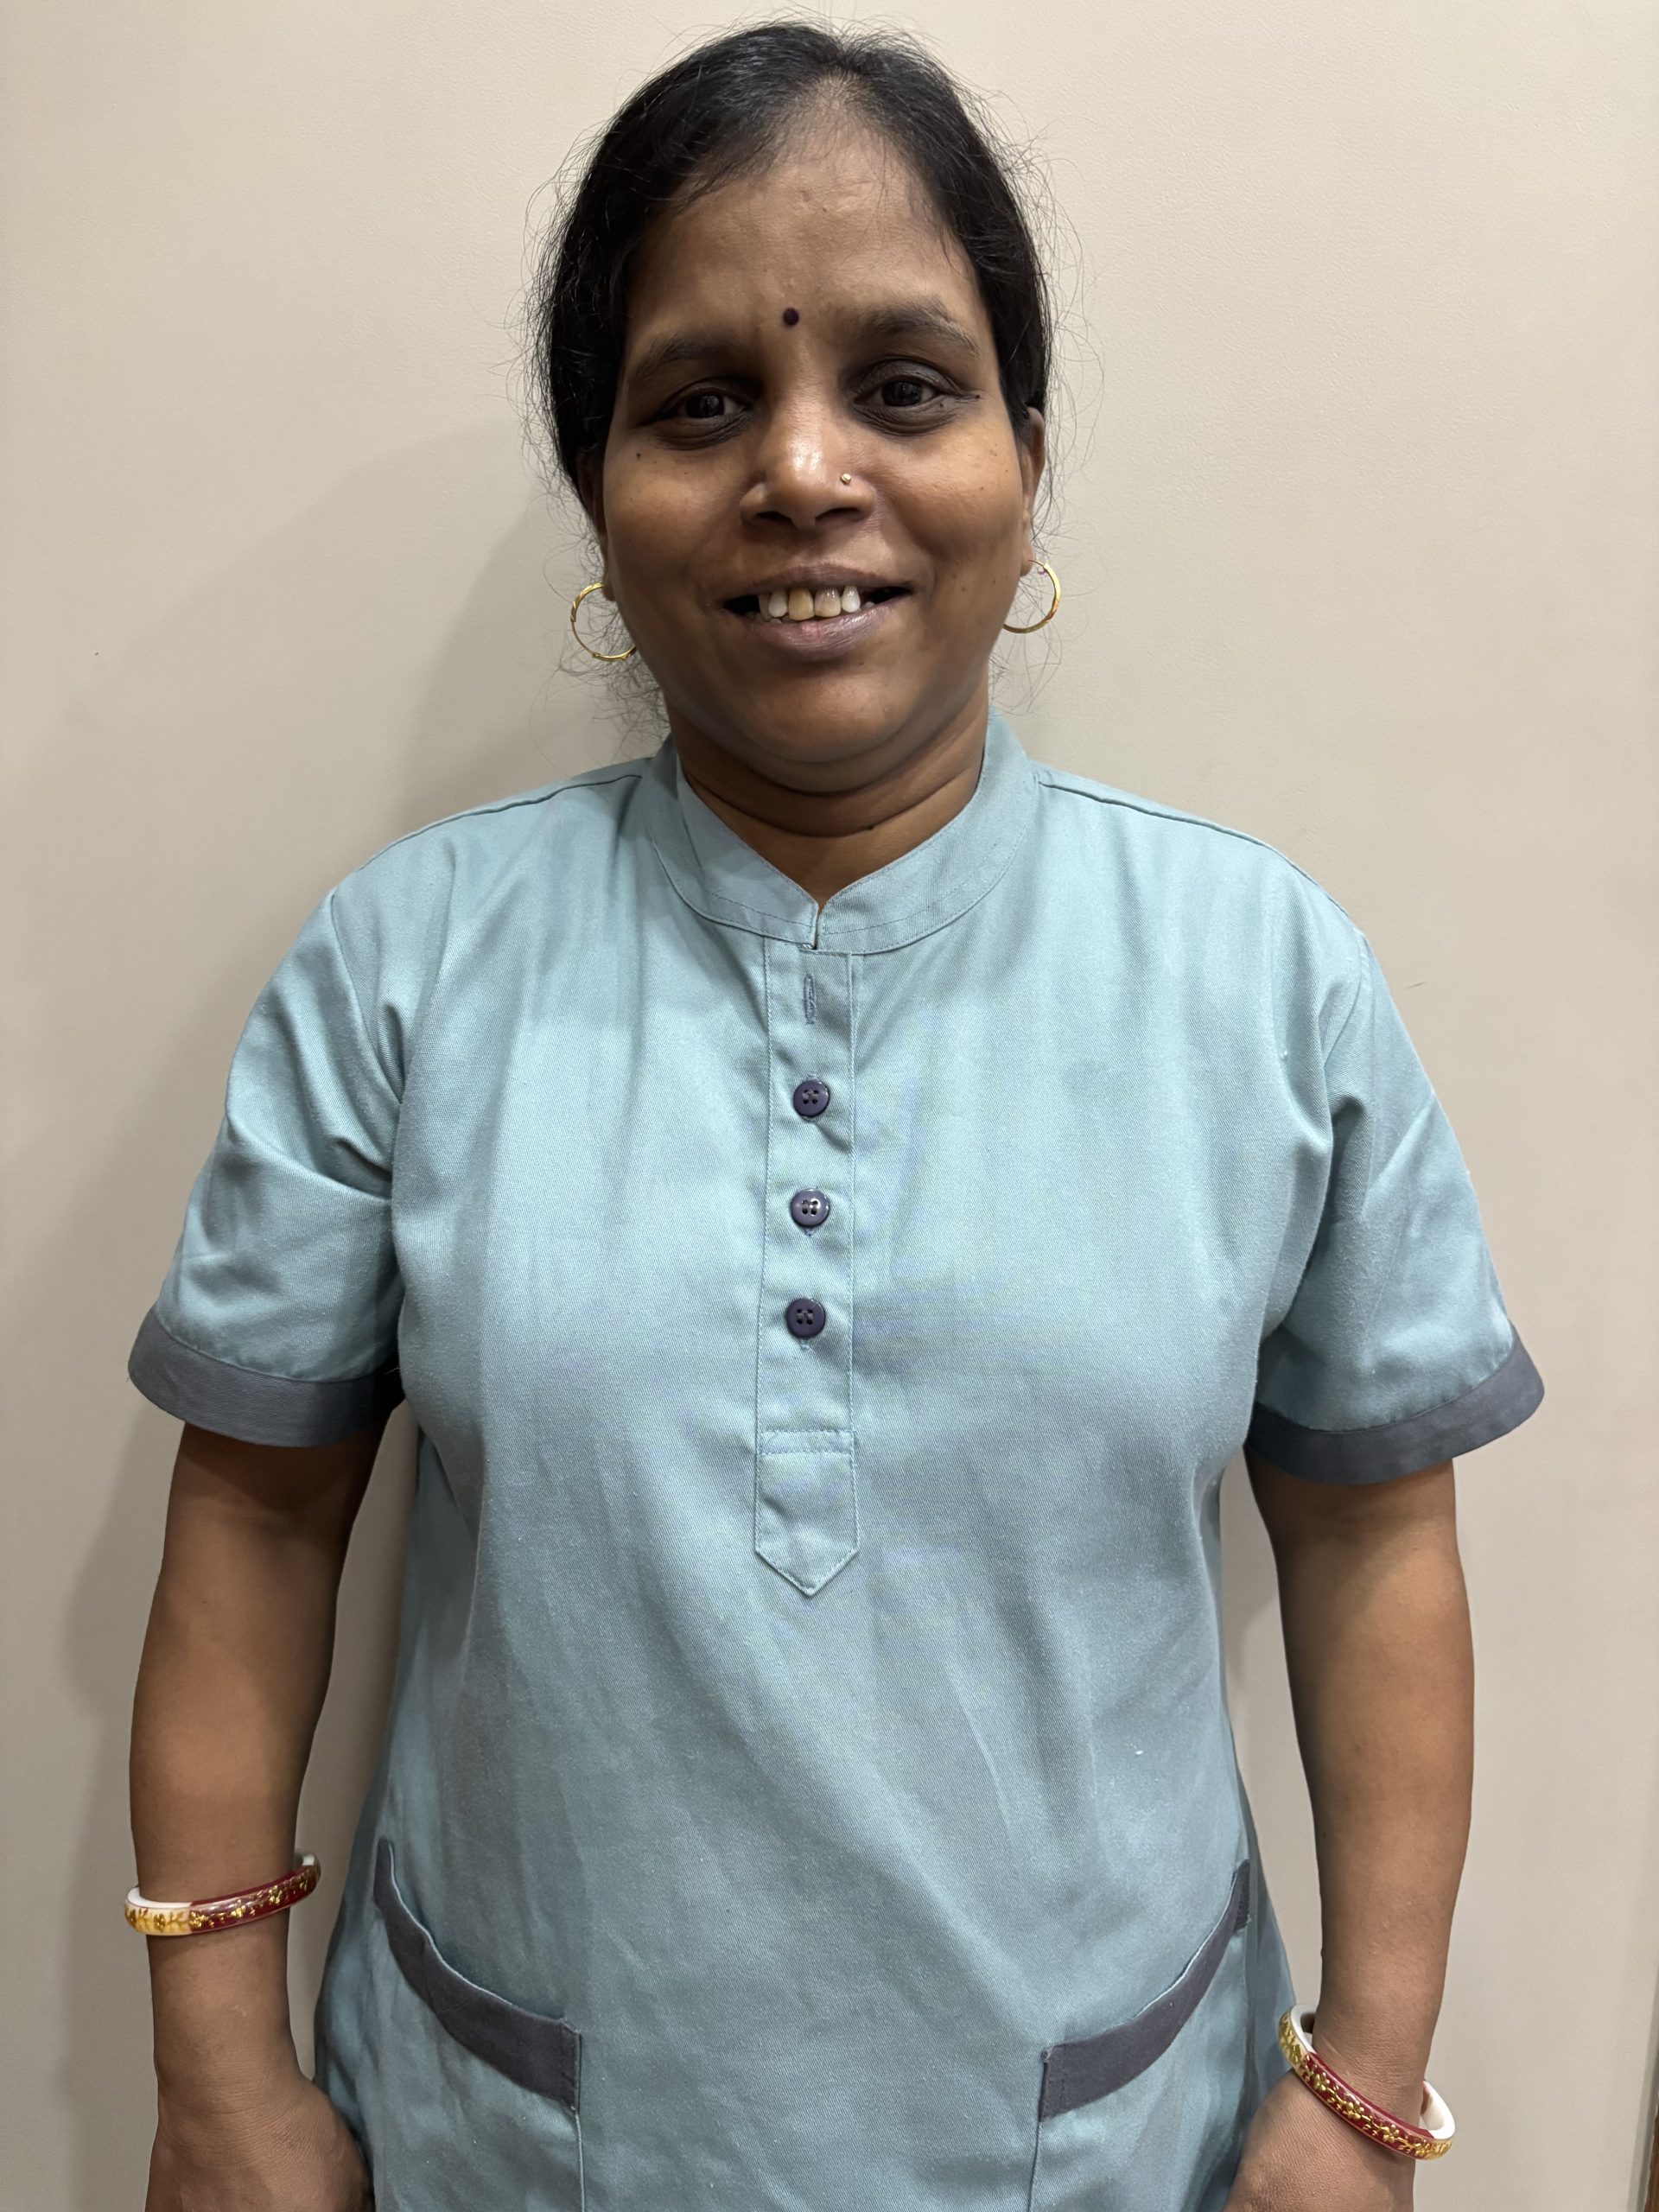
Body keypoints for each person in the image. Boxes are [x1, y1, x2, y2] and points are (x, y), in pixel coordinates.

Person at [125, 22, 1544, 2212]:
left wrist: (1368, 2092)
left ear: (1025, 457)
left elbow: (1372, 1546)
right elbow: (256, 1521)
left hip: (1110, 2147)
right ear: (601, 490)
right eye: (700, 402)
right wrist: (219, 2080)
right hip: (519, 2144)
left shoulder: (1261, 977)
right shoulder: (409, 969)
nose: (803, 471)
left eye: (903, 384)